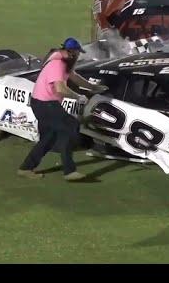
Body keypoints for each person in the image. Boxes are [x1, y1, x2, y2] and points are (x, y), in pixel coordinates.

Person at [18, 37, 108, 181]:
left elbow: (74, 77)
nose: (79, 55)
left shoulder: (64, 61)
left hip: (42, 103)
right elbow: (60, 88)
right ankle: (69, 171)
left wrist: (93, 87)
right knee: (70, 126)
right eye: (78, 53)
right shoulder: (57, 64)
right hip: (46, 104)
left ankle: (26, 168)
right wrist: (78, 97)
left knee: (49, 138)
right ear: (72, 52)